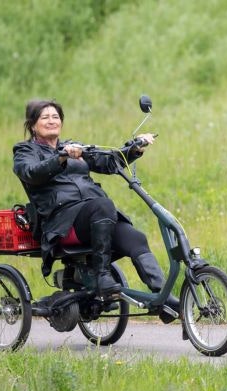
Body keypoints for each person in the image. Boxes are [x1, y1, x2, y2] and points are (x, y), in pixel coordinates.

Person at [12, 99, 179, 323]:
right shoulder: (24, 151)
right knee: (103, 204)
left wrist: (134, 148)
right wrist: (60, 157)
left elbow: (109, 162)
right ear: (33, 125)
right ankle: (102, 277)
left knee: (136, 239)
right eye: (45, 117)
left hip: (95, 216)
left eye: (56, 117)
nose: (52, 121)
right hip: (62, 224)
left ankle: (165, 300)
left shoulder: (75, 146)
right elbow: (32, 172)